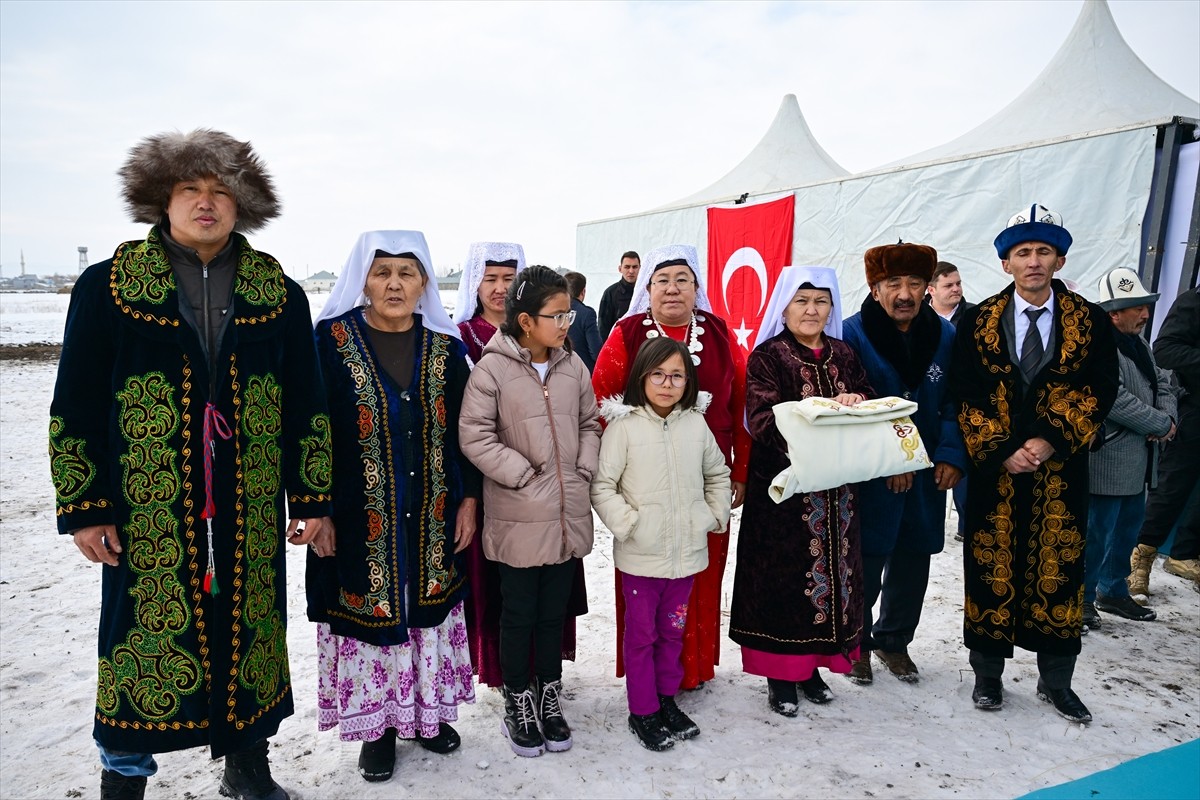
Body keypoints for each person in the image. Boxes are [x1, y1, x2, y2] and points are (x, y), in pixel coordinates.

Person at [48, 129, 333, 800]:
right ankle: (123, 779)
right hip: (144, 503)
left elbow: (307, 405)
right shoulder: (109, 286)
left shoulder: (279, 293)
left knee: (251, 627)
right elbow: (74, 405)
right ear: (162, 199)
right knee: (135, 639)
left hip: (251, 500)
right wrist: (84, 509)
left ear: (244, 204)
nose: (206, 203)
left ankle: (247, 765)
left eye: (221, 190)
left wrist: (313, 497)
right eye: (190, 188)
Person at [307, 231, 481, 782]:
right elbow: (310, 429)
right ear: (363, 279)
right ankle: (378, 729)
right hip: (359, 517)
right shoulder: (330, 343)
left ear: (425, 282)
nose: (394, 284)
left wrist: (470, 498)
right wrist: (318, 509)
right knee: (371, 611)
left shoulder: (445, 348)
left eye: (407, 273)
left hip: (434, 510)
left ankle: (425, 717)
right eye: (382, 272)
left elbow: (467, 431)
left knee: (424, 605)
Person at [950, 204, 1117, 723]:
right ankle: (987, 677)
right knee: (988, 569)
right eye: (1022, 252)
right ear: (1006, 264)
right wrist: (1002, 449)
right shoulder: (976, 321)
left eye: (1044, 251)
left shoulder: (1089, 320)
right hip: (994, 474)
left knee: (1060, 571)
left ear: (1060, 260)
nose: (1033, 261)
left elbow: (1101, 386)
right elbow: (964, 392)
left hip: (1060, 473)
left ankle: (1056, 681)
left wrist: (1050, 440)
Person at [591, 244, 750, 692]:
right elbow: (603, 402)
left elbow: (740, 404)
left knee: (698, 574)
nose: (673, 288)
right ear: (647, 287)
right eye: (662, 280)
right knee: (649, 587)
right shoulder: (626, 331)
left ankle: (691, 670)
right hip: (645, 481)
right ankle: (648, 684)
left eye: (683, 279)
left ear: (697, 286)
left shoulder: (718, 331)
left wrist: (740, 470)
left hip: (706, 471)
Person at [459, 265, 601, 757]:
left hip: (566, 514)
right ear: (525, 320)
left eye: (568, 313)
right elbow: (474, 435)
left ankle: (549, 695)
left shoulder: (572, 366)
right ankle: (518, 701)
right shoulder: (491, 369)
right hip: (518, 514)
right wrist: (521, 473)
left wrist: (582, 467)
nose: (566, 322)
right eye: (556, 314)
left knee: (551, 613)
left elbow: (590, 421)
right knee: (518, 614)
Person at [728, 266, 874, 716]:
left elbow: (868, 396)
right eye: (802, 301)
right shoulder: (768, 356)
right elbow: (762, 419)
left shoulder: (844, 354)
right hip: (784, 493)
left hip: (837, 496)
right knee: (784, 581)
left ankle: (810, 669)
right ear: (785, 306)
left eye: (821, 302)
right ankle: (781, 677)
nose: (812, 311)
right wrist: (822, 415)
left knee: (830, 581)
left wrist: (858, 402)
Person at [591, 337, 732, 751]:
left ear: (688, 381)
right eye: (658, 374)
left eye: (676, 375)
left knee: (673, 632)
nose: (667, 384)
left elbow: (718, 474)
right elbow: (603, 485)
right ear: (641, 377)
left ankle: (666, 699)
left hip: (686, 556)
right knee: (641, 636)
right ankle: (643, 709)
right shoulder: (625, 427)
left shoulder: (694, 424)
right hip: (641, 558)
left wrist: (710, 516)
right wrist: (630, 524)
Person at [841, 243, 966, 686]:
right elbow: (855, 407)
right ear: (875, 290)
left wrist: (952, 454)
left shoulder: (946, 335)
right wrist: (893, 457)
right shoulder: (852, 334)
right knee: (867, 557)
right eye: (893, 284)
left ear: (928, 288)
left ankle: (894, 640)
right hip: (875, 472)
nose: (904, 293)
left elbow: (955, 399)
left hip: (929, 468)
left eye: (914, 283)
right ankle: (855, 645)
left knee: (914, 558)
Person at [1081, 267, 1176, 628]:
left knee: (1126, 531)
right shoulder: (1097, 346)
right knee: (1096, 534)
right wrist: (1159, 423)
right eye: (1138, 307)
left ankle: (1113, 590)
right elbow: (1112, 399)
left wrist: (1167, 419)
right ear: (1114, 313)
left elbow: (1163, 382)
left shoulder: (1139, 344)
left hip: (1138, 461)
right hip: (1108, 461)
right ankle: (1083, 599)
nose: (1146, 314)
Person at [1129, 286, 1200, 591]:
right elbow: (1166, 348)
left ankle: (1184, 556)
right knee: (1173, 484)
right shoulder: (1194, 301)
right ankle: (1139, 560)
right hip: (1196, 407)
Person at [925, 260, 975, 541]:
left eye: (958, 283)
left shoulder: (973, 317)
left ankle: (966, 527)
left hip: (959, 403)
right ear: (931, 290)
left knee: (962, 470)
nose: (956, 289)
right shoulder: (918, 318)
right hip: (926, 401)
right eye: (948, 285)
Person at [454, 241, 524, 367]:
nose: (500, 289)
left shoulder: (530, 328)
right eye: (491, 280)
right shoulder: (463, 334)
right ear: (475, 284)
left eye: (509, 279)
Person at [565, 270, 602, 372]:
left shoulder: (554, 312)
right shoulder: (587, 313)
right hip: (584, 371)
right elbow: (595, 351)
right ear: (583, 291)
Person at [598, 250, 641, 338]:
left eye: (635, 267)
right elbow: (603, 327)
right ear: (620, 269)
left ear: (640, 268)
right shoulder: (610, 293)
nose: (631, 271)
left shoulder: (647, 292)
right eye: (627, 267)